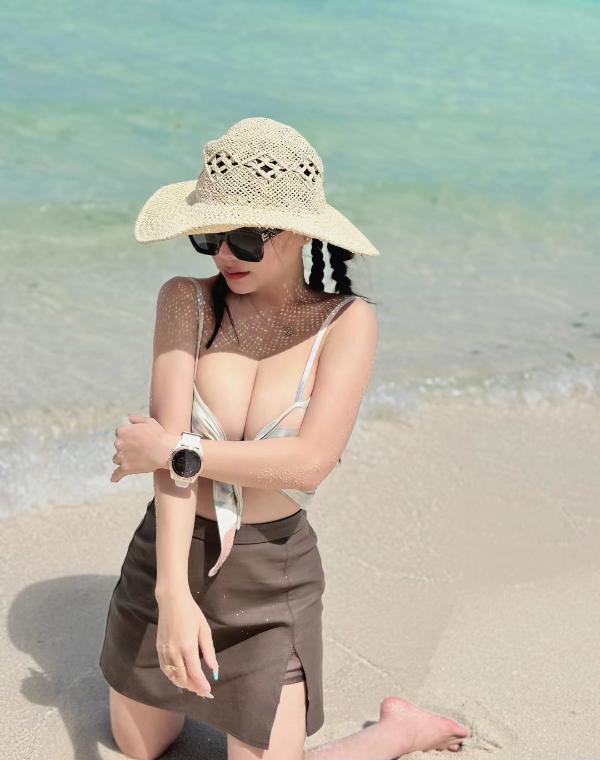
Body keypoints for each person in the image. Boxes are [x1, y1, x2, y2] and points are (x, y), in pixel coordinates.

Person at [99, 117, 470, 759]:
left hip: (269, 575)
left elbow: (308, 463)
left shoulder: (347, 322)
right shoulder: (186, 301)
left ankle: (397, 730)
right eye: (211, 236)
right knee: (138, 746)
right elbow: (169, 470)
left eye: (244, 238)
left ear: (298, 232)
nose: (224, 255)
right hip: (171, 552)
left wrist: (179, 450)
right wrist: (172, 594)